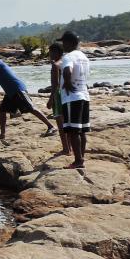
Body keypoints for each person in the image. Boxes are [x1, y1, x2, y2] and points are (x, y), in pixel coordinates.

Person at [58, 30, 91, 169]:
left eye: (64, 42)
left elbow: (67, 70)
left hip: (72, 97)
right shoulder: (84, 57)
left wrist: (67, 82)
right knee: (81, 130)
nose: (63, 45)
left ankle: (78, 161)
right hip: (84, 95)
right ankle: (81, 158)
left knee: (72, 130)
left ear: (70, 43)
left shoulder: (68, 56)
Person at [46, 41, 72, 157]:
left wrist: (51, 99)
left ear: (56, 52)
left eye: (50, 52)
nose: (49, 54)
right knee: (67, 123)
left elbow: (55, 84)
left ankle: (66, 149)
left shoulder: (55, 64)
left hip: (58, 95)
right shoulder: (66, 61)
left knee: (60, 124)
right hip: (67, 94)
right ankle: (70, 147)